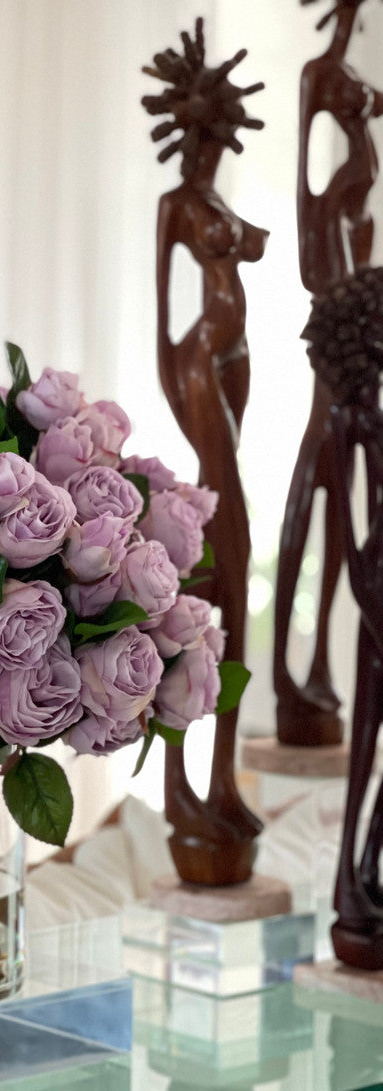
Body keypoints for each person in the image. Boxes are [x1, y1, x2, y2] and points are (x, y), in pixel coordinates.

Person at [143, 18, 265, 884]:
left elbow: (252, 247)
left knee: (236, 562)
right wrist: (174, 380)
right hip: (197, 363)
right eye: (206, 115)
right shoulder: (178, 205)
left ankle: (222, 779)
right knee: (228, 541)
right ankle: (184, 786)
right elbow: (161, 306)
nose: (216, 127)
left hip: (233, 358)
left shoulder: (219, 203)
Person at [274, 0, 383, 748]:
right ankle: (287, 674)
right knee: (315, 497)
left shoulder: (357, 134)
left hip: (356, 355)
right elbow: (316, 241)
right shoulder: (322, 81)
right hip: (335, 346)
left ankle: (317, 670)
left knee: (345, 518)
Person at [303, 266, 383, 968]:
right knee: (363, 744)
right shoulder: (354, 412)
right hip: (380, 580)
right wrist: (363, 587)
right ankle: (352, 892)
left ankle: (362, 884)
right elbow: (355, 523)